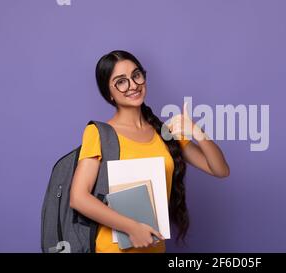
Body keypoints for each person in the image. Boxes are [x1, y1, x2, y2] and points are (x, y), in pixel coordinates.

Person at [69, 50, 230, 253]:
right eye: (121, 81)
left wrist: (196, 131)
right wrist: (132, 228)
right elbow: (78, 197)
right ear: (108, 92)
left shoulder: (166, 133)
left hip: (155, 248)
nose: (133, 85)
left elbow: (220, 170)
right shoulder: (99, 133)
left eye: (136, 75)